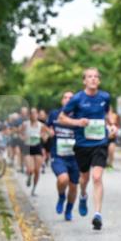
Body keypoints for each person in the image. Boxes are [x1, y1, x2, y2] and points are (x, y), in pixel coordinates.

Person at [59, 68, 113, 230]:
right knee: (84, 178)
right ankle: (83, 194)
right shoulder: (77, 99)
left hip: (100, 142)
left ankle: (97, 214)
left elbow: (107, 114)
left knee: (97, 177)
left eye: (96, 77)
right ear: (84, 81)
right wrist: (77, 123)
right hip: (82, 144)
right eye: (90, 77)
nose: (93, 79)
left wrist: (112, 126)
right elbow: (62, 117)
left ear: (99, 80)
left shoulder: (105, 97)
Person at [47, 91, 80, 221]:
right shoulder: (55, 114)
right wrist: (48, 131)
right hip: (58, 155)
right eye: (65, 97)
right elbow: (47, 128)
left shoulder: (78, 115)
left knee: (73, 186)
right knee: (63, 179)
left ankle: (69, 209)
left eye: (70, 98)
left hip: (75, 157)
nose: (67, 99)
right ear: (62, 101)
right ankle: (61, 196)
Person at [23, 107, 47, 195]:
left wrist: (43, 136)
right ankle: (29, 176)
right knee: (31, 169)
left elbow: (46, 135)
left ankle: (33, 189)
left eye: (35, 113)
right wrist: (23, 137)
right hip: (28, 147)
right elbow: (20, 133)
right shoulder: (25, 124)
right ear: (29, 115)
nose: (34, 115)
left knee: (37, 171)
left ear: (37, 114)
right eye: (32, 113)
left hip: (37, 147)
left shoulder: (41, 125)